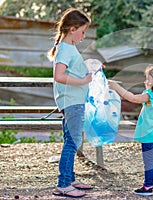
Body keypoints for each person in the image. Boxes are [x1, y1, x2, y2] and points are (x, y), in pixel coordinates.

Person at [47, 8, 93, 198]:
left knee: (71, 140)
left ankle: (70, 178)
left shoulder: (68, 48)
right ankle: (63, 184)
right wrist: (83, 81)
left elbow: (72, 71)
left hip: (74, 102)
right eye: (83, 31)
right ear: (72, 29)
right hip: (73, 102)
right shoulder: (66, 48)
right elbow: (59, 76)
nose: (84, 36)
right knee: (73, 142)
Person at [109, 64, 153, 196]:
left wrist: (116, 87)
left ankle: (147, 187)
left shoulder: (150, 96)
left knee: (149, 163)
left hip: (149, 136)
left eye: (147, 79)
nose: (145, 81)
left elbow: (132, 98)